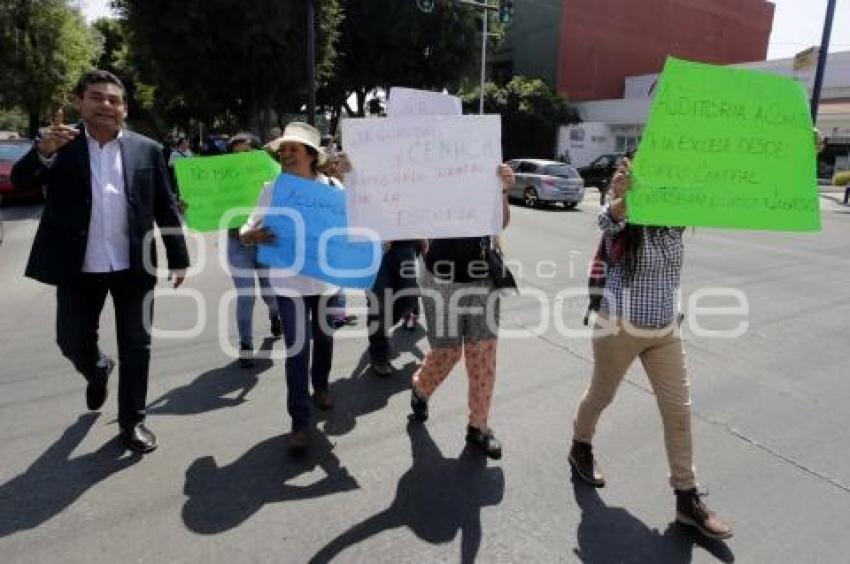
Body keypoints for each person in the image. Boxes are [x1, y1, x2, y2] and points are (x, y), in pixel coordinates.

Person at [10, 69, 189, 454]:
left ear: (124, 108)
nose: (106, 105)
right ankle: (95, 367)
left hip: (134, 268)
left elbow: (165, 206)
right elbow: (22, 180)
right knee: (71, 340)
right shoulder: (61, 144)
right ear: (80, 102)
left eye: (114, 100)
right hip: (78, 268)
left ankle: (133, 421)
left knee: (137, 345)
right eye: (96, 97)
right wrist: (43, 150)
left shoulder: (147, 149)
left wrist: (178, 256)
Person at [567, 158, 733, 540]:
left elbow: (735, 187)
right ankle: (580, 444)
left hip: (664, 329)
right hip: (618, 324)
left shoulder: (678, 211)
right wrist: (624, 196)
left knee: (678, 410)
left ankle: (686, 497)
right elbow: (608, 221)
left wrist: (797, 151)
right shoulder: (626, 202)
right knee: (601, 395)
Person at [240, 122, 339, 454]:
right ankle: (299, 421)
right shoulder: (272, 189)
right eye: (282, 150)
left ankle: (321, 385)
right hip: (287, 284)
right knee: (297, 350)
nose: (284, 154)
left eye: (292, 149)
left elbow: (353, 228)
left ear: (311, 155)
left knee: (324, 339)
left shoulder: (332, 189)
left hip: (326, 283)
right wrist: (250, 235)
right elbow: (248, 226)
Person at [408, 164, 515, 459]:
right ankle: (420, 388)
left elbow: (500, 223)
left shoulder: (487, 169)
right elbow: (398, 208)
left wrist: (504, 191)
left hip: (483, 281)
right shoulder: (431, 176)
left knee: (483, 357)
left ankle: (478, 427)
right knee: (447, 352)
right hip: (440, 280)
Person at [224, 133, 281, 367]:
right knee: (246, 296)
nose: (242, 159)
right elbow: (200, 203)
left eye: (248, 153)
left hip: (266, 241)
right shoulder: (222, 181)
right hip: (237, 243)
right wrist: (189, 205)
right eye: (237, 155)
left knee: (270, 293)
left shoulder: (274, 177)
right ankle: (246, 344)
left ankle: (275, 315)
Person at [367, 239, 425, 376]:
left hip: (405, 245)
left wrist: (422, 238)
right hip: (377, 247)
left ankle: (381, 329)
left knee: (410, 296)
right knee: (378, 305)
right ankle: (379, 357)